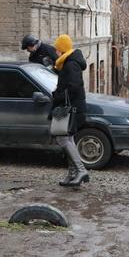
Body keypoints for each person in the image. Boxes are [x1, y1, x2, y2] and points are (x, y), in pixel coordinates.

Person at [52, 34, 89, 187]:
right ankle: (72, 173)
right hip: (70, 107)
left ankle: (81, 170)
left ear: (61, 49)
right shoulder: (67, 62)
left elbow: (74, 86)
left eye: (56, 49)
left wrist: (58, 95)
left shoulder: (71, 64)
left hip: (71, 108)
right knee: (69, 139)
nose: (55, 51)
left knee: (63, 139)